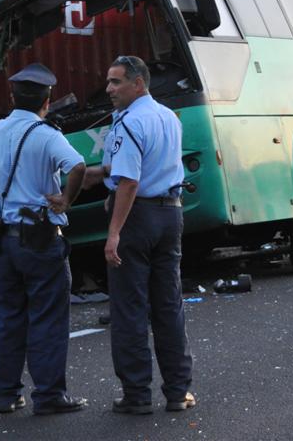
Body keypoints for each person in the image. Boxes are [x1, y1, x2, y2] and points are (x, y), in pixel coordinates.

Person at [0, 64, 87, 416]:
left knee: (10, 316)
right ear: (47, 99)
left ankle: (6, 393)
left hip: (4, 239)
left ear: (12, 97)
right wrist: (66, 199)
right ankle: (50, 395)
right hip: (40, 237)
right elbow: (78, 166)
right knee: (48, 317)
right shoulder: (47, 134)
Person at [83, 55, 195, 414]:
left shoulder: (129, 123)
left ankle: (137, 395)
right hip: (170, 213)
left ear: (139, 84)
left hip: (138, 217)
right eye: (109, 81)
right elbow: (144, 164)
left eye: (116, 82)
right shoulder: (167, 116)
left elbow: (130, 181)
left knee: (129, 309)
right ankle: (178, 392)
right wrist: (102, 172)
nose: (109, 89)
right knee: (168, 306)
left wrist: (113, 233)